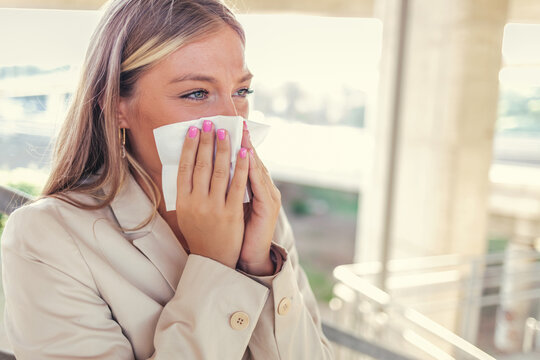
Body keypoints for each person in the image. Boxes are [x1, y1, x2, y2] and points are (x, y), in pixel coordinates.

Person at [0, 0, 334, 359]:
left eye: (241, 92)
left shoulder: (259, 214)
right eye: (196, 93)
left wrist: (259, 266)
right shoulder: (47, 238)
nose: (232, 118)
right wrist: (215, 265)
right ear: (116, 106)